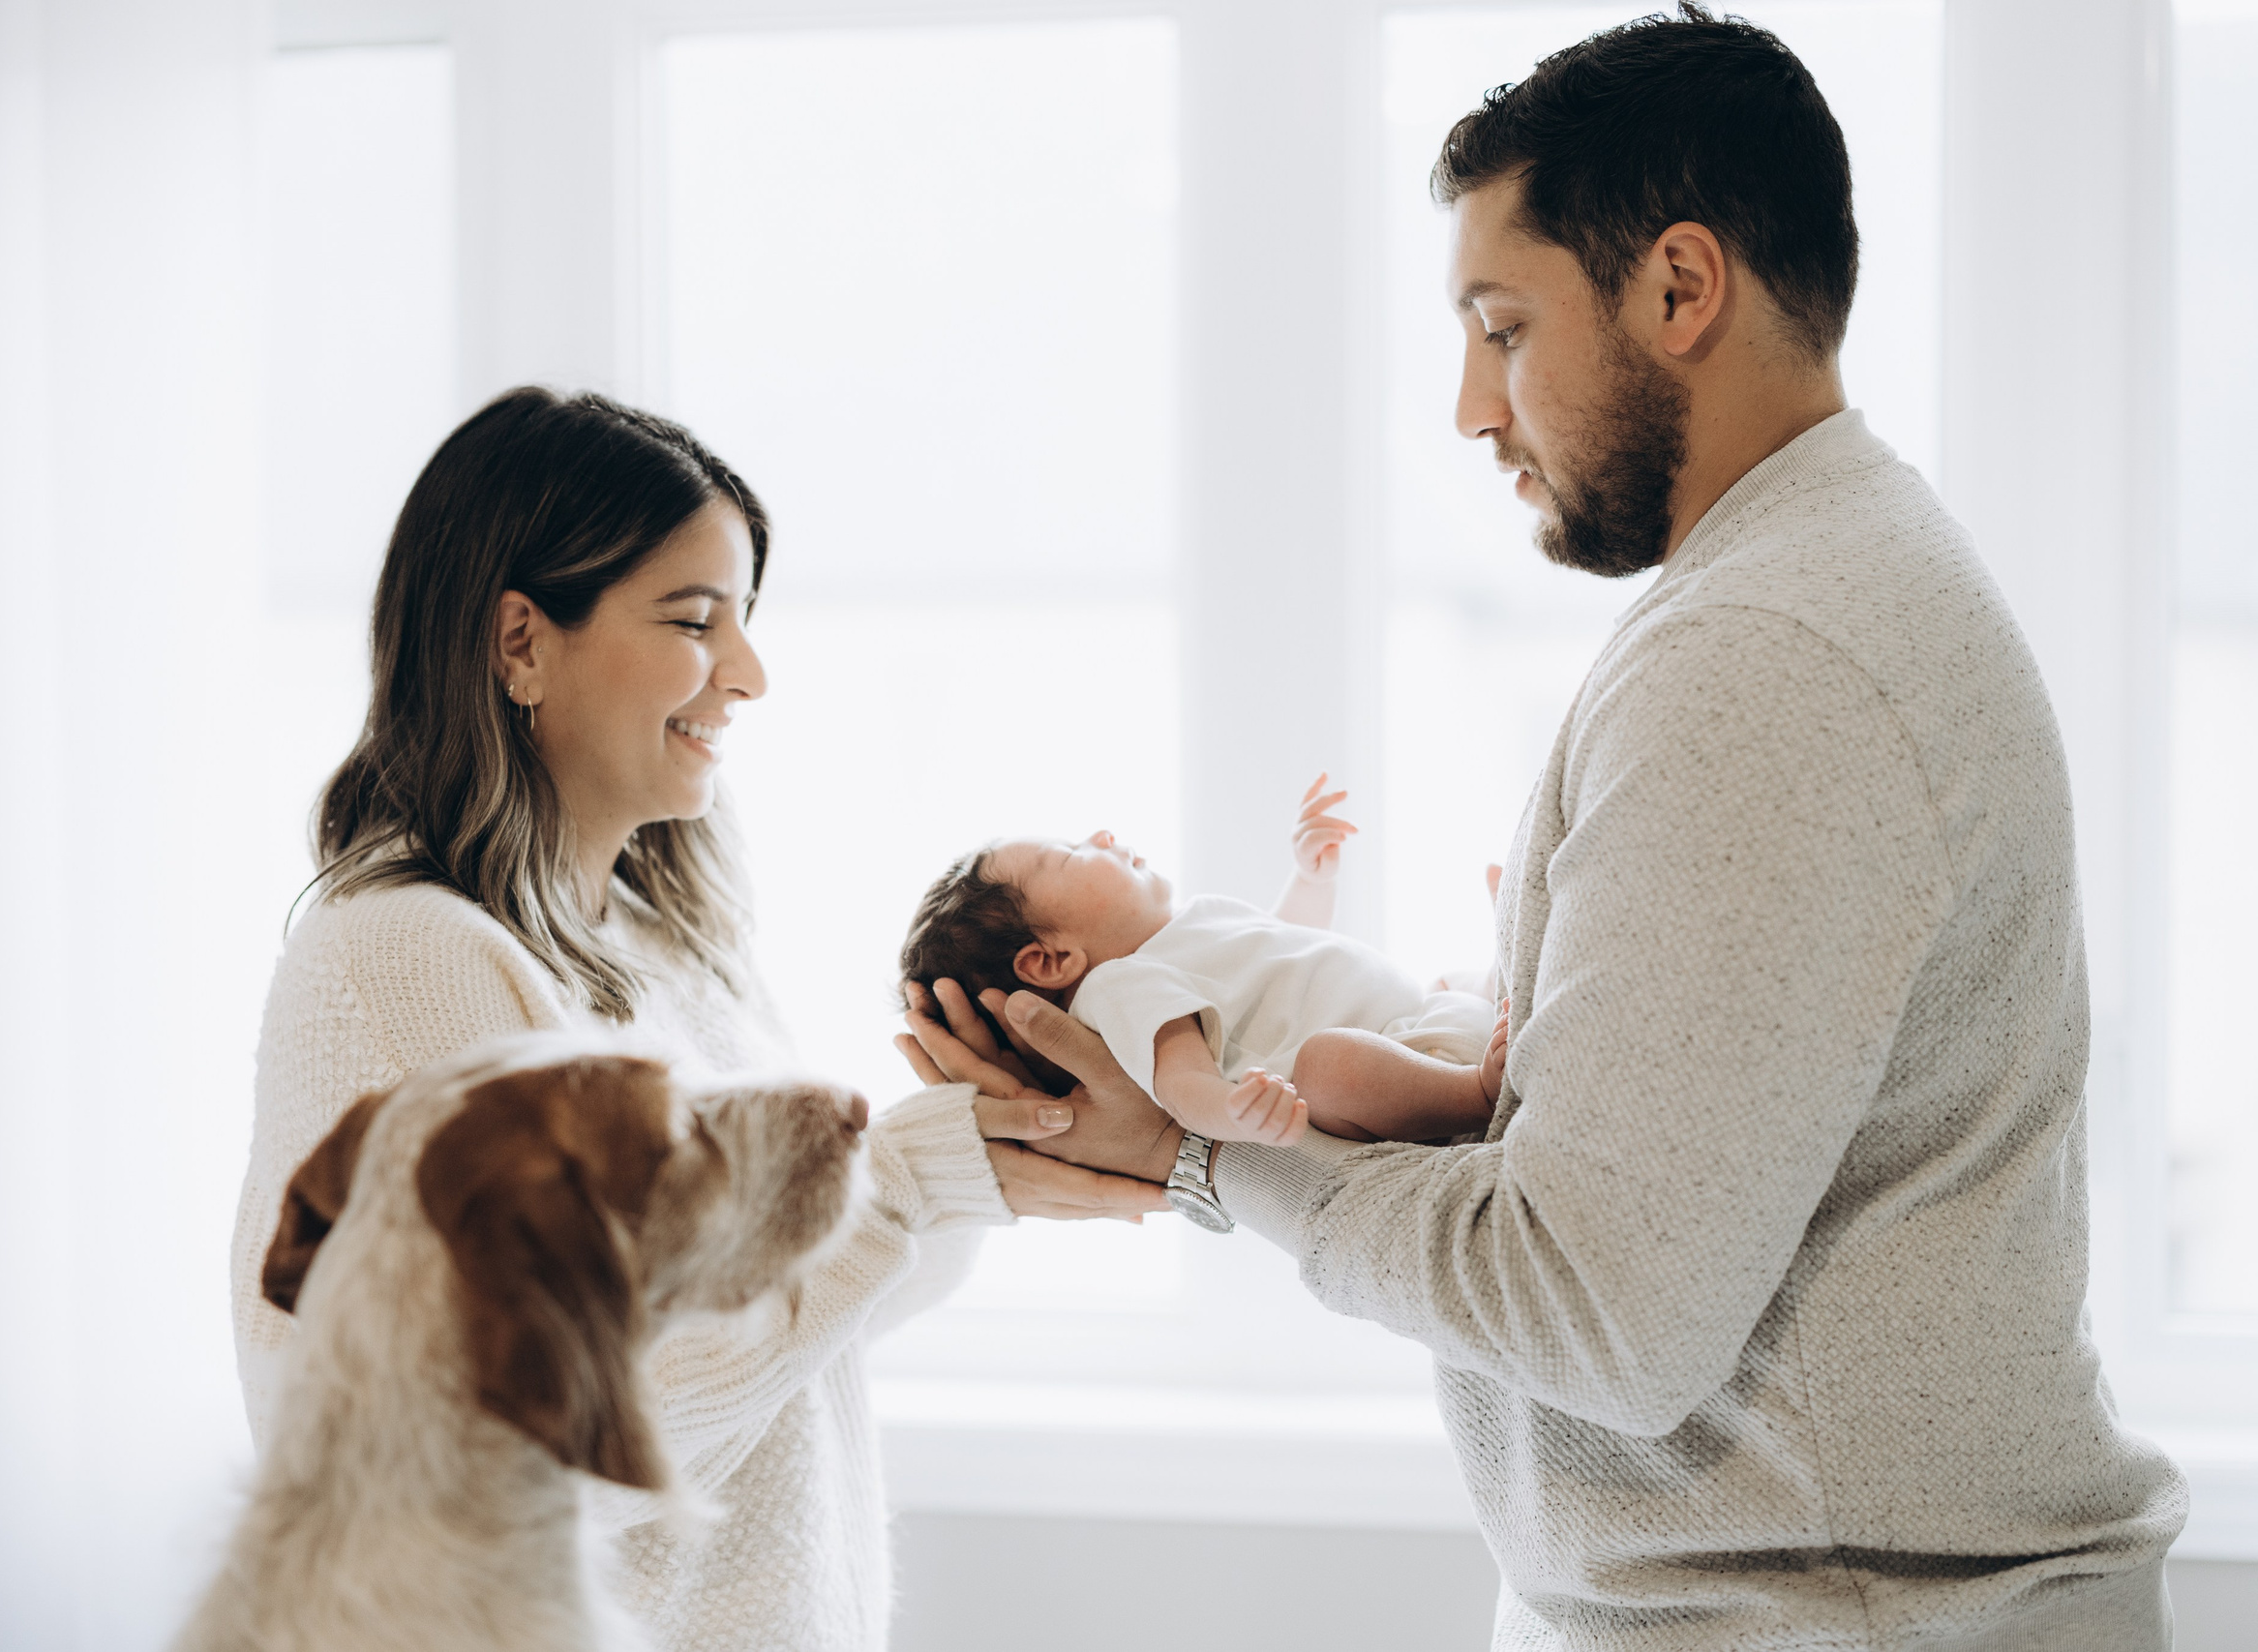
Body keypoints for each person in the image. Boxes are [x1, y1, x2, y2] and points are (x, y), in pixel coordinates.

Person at [903, 8, 2188, 1647]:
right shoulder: (1827, 584)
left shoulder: (1766, 655)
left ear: (1678, 288)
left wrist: (1201, 1160)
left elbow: (1597, 1310)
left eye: (1499, 326)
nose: (1467, 407)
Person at [226, 387, 1163, 1652]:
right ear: (519, 641)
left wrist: (975, 1151)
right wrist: (897, 1181)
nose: (750, 672)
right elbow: (548, 1427)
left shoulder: (668, 942)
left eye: (749, 619)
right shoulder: (400, 958)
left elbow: (795, 1324)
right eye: (692, 618)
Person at [897, 779, 1505, 1146]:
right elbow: (1181, 1084)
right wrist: (1236, 1116)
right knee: (1326, 1065)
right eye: (1069, 855)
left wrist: (1310, 877)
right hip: (1392, 1078)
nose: (1102, 836)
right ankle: (1477, 1094)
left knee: (1454, 980)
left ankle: (1497, 984)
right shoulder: (1120, 987)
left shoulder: (1188, 928)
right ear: (1052, 960)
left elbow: (1285, 944)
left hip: (1421, 1023)